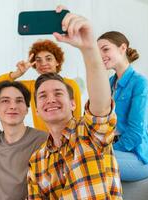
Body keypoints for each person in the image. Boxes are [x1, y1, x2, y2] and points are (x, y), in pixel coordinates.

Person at [27, 8, 122, 199]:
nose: (51, 99)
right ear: (36, 109)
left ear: (72, 104)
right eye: (43, 96)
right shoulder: (37, 160)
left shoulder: (89, 132)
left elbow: (101, 105)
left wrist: (89, 47)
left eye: (58, 93)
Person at [97, 31, 148, 181]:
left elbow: (136, 132)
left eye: (105, 49)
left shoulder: (140, 83)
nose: (100, 55)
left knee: (92, 162)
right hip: (116, 151)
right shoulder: (109, 83)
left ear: (122, 48)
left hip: (139, 156)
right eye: (98, 51)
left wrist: (109, 150)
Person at [0, 39, 81, 132]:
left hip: (69, 138)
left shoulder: (70, 84)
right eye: (38, 60)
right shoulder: (31, 86)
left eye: (48, 59)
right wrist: (18, 73)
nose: (43, 63)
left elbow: (77, 116)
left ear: (57, 62)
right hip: (43, 141)